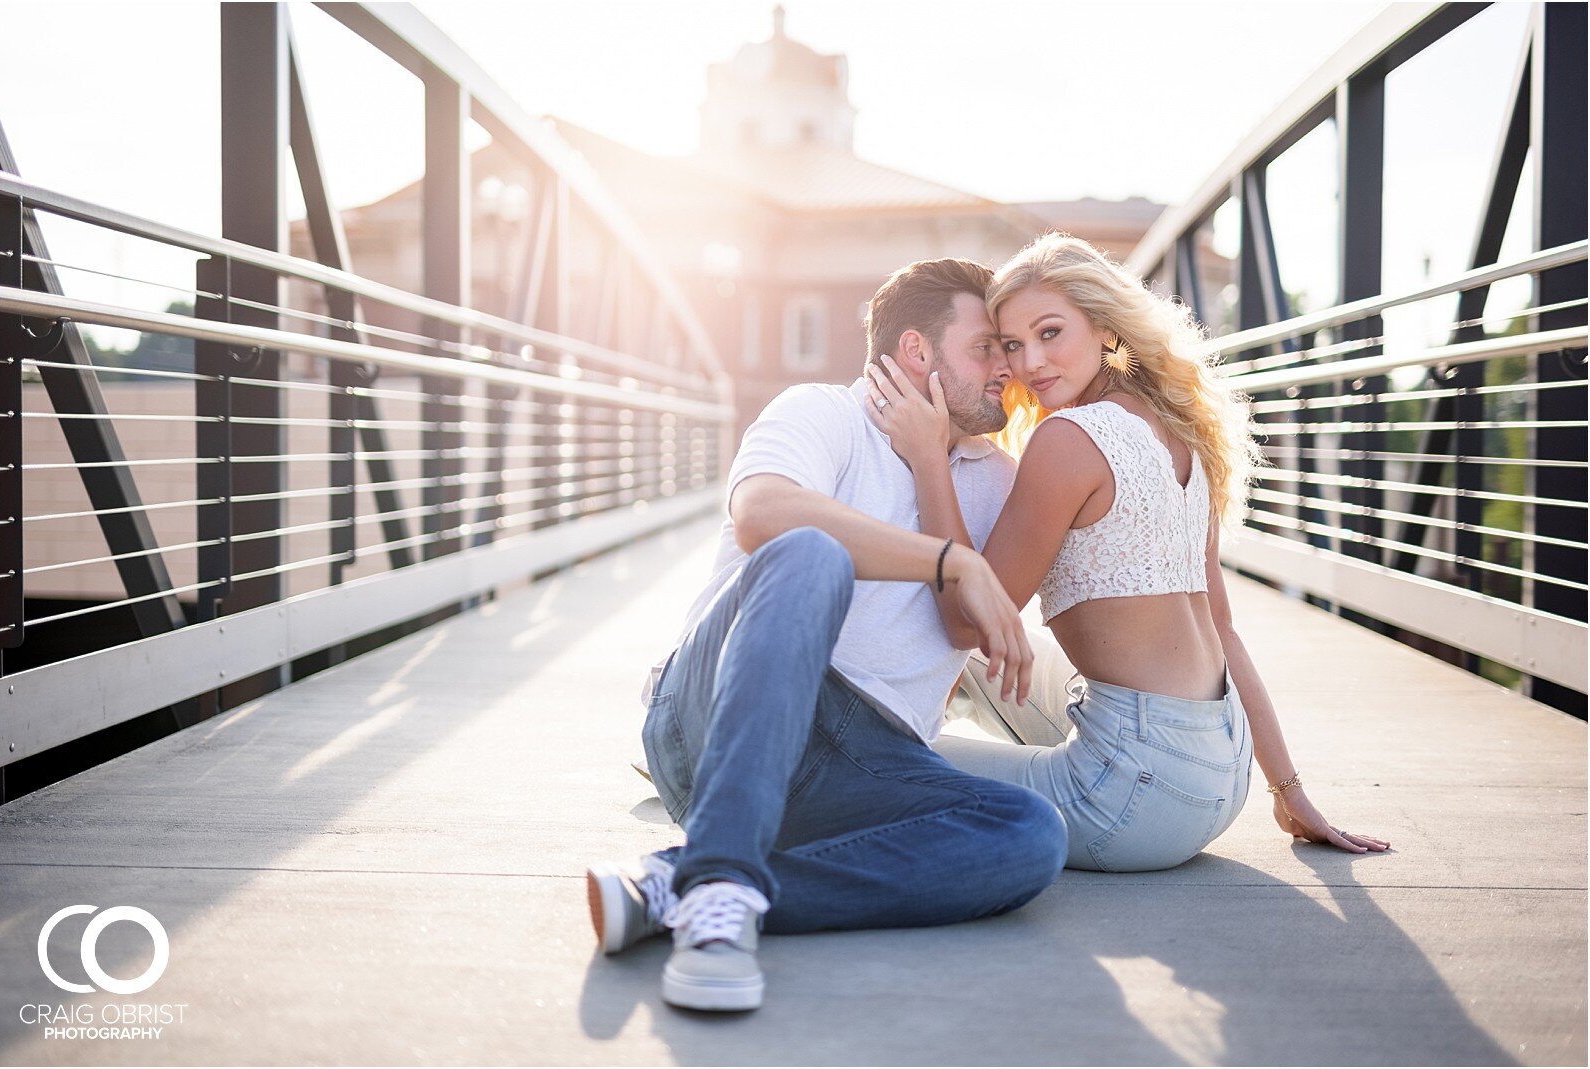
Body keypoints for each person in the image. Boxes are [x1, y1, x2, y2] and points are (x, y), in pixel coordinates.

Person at [586, 258, 1066, 1013]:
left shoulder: (994, 477)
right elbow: (764, 515)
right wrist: (949, 559)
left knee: (1030, 835)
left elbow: (972, 620)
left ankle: (695, 880)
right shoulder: (821, 411)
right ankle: (716, 907)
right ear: (916, 352)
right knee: (810, 551)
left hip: (865, 761)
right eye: (987, 348)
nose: (1007, 368)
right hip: (712, 722)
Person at [864, 233, 1389, 873]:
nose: (1029, 362)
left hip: (1128, 799)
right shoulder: (1181, 435)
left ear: (1106, 328)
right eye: (1010, 345)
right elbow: (1223, 629)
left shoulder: (1067, 439)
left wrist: (927, 459)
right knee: (980, 669)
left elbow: (965, 622)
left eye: (1050, 333)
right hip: (1220, 779)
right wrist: (1288, 791)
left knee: (870, 759)